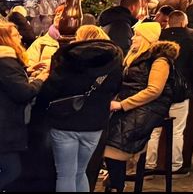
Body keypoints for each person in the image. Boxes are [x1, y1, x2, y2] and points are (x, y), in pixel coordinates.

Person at [36, 25, 124, 192]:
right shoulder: (114, 60)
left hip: (65, 122)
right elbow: (117, 87)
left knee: (65, 174)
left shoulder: (69, 59)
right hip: (95, 124)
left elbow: (50, 89)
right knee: (80, 172)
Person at [102, 22, 180, 192]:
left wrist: (122, 105)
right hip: (130, 104)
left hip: (149, 107)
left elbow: (154, 91)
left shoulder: (160, 60)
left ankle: (116, 184)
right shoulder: (135, 57)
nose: (133, 38)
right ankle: (116, 181)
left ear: (146, 38)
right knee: (107, 135)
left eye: (137, 35)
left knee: (115, 142)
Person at [147, 10, 193, 174]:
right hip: (179, 92)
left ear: (168, 21)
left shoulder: (157, 39)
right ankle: (175, 165)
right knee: (177, 130)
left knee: (153, 130)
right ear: (184, 23)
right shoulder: (190, 40)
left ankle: (148, 164)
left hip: (157, 90)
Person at [0, 21, 39, 191]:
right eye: (16, 35)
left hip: (5, 124)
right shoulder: (6, 61)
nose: (21, 36)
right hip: (5, 126)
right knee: (12, 170)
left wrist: (27, 72)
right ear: (6, 39)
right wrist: (40, 80)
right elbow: (23, 92)